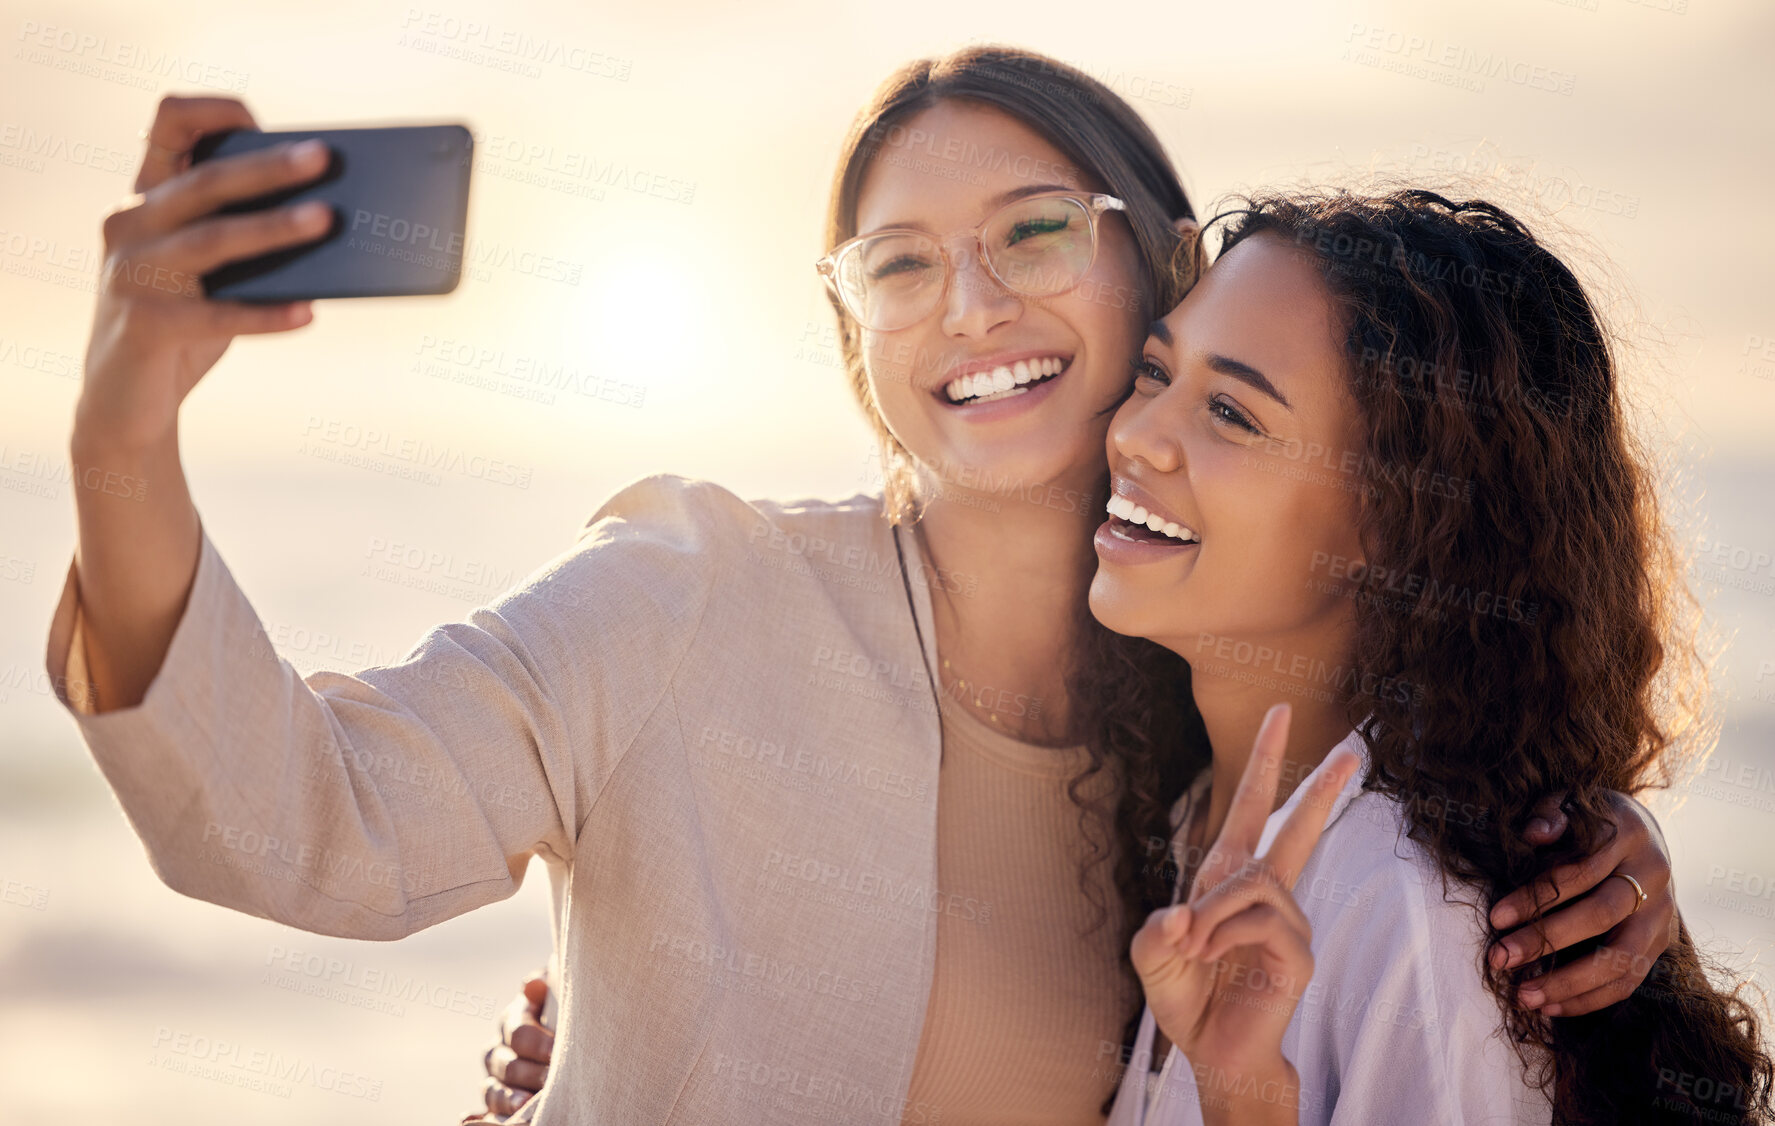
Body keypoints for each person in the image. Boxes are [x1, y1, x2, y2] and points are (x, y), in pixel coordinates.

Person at [53, 49, 1676, 1126]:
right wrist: (125, 429)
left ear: (1165, 272)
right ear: (855, 345)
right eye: (898, 265)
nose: (967, 304)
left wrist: (1595, 855)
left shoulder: (1222, 724)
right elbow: (293, 821)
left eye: (1034, 233)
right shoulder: (694, 593)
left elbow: (1431, 761)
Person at [1096, 189, 1773, 1124]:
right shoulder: (1176, 809)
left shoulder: (1409, 907)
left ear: (1403, 520)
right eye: (1151, 371)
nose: (1133, 434)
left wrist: (1242, 1088)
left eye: (1230, 413)